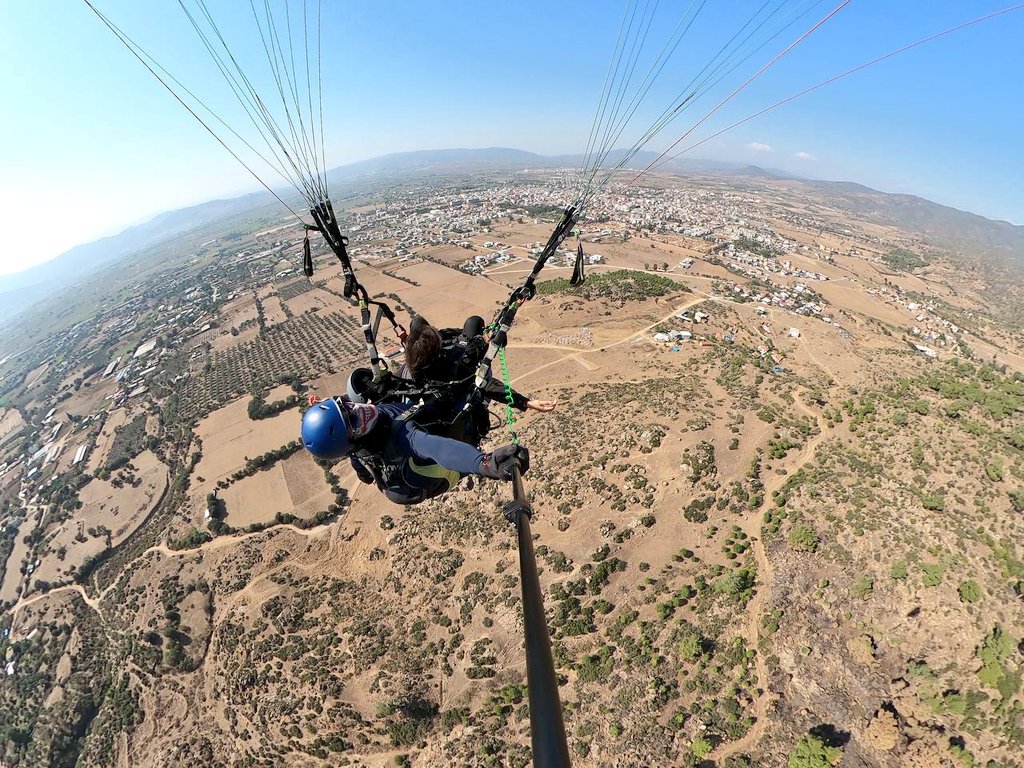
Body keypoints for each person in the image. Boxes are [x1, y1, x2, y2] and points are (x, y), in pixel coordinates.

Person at [301, 395, 529, 505]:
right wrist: (487, 464)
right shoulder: (401, 438)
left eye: (345, 403)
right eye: (351, 418)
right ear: (350, 439)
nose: (357, 408)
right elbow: (441, 449)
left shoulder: (355, 446)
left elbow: (363, 473)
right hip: (437, 476)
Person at [398, 315, 556, 442]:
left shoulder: (407, 370)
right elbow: (487, 384)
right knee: (474, 322)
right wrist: (526, 402)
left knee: (417, 322)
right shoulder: (456, 368)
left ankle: (432, 336)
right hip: (460, 402)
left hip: (428, 384)